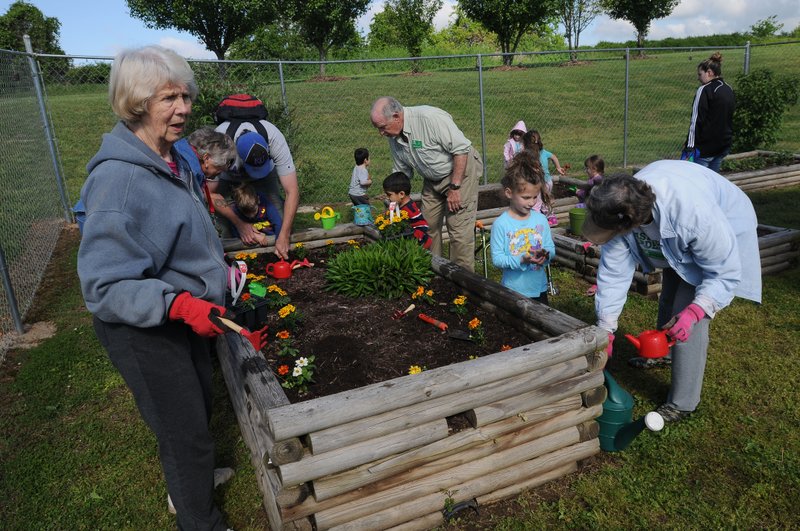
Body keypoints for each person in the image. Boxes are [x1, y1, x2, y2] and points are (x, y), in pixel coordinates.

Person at [77, 45, 250, 529]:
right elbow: (104, 286)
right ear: (136, 102)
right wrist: (176, 302)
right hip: (143, 327)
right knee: (183, 431)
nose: (185, 108)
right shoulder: (120, 181)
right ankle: (199, 519)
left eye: (186, 96)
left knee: (197, 404)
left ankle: (190, 482)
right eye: (169, 98)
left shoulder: (177, 158)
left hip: (182, 311)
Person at [582, 160, 761, 423]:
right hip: (680, 224)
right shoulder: (621, 206)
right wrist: (606, 328)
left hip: (727, 222)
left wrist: (696, 311)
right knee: (671, 290)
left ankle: (683, 402)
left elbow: (722, 272)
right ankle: (662, 352)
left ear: (630, 221)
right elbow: (614, 273)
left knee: (687, 316)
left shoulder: (694, 216)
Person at [370, 96, 483, 271]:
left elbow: (461, 149)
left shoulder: (429, 119)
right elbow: (402, 173)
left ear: (396, 116)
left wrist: (455, 187)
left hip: (460, 172)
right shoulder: (394, 138)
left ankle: (463, 288)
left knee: (458, 231)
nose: (381, 133)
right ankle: (433, 274)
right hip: (432, 179)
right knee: (426, 226)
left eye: (383, 127)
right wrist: (393, 200)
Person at [213, 119, 300, 259]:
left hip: (267, 176)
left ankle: (278, 252)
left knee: (278, 213)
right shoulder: (220, 142)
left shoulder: (273, 138)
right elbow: (210, 193)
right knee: (223, 223)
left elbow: (292, 191)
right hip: (227, 177)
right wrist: (240, 225)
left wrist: (283, 235)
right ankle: (229, 261)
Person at [490, 150, 555, 304]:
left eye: (534, 197)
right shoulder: (501, 224)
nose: (531, 202)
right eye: (526, 197)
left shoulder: (540, 220)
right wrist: (521, 259)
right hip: (513, 290)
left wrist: (545, 255)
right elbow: (498, 259)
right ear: (509, 193)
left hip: (539, 288)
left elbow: (550, 248)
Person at [684, 52, 735, 172]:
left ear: (710, 72)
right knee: (712, 181)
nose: (698, 78)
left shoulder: (704, 90)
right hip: (723, 146)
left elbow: (696, 120)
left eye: (700, 74)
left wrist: (689, 147)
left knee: (696, 183)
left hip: (704, 149)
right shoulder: (728, 88)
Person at [173, 127, 237, 212]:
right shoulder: (189, 175)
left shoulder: (180, 147)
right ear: (206, 159)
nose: (223, 170)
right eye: (220, 168)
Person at [382, 171, 432, 250]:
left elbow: (423, 226)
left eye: (389, 195)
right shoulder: (400, 206)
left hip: (420, 245)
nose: (387, 198)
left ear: (401, 194)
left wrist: (411, 238)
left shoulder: (410, 209)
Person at [522, 129, 565, 214]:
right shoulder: (543, 152)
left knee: (536, 203)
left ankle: (538, 219)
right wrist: (558, 167)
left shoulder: (528, 155)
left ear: (526, 143)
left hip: (538, 183)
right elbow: (554, 157)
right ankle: (550, 217)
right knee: (546, 200)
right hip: (548, 181)